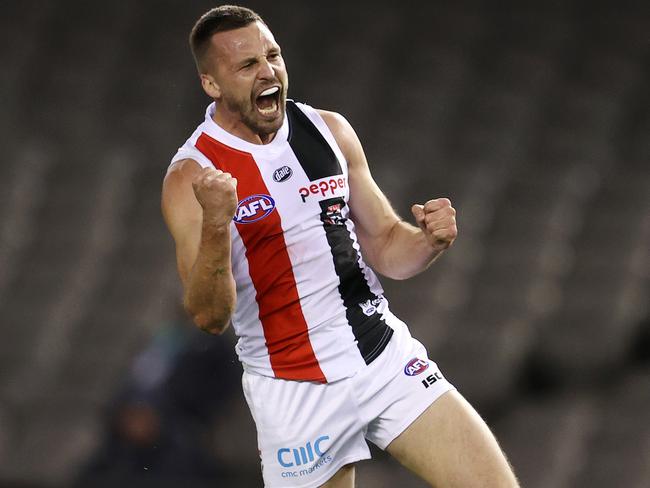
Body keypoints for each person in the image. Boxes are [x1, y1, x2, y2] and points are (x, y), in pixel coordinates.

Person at [162, 5, 519, 487]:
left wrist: (428, 241)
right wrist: (216, 225)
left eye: (273, 55)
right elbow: (209, 317)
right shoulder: (192, 176)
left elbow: (388, 245)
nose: (268, 71)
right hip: (293, 385)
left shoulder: (327, 131)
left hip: (382, 354)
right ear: (212, 84)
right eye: (247, 65)